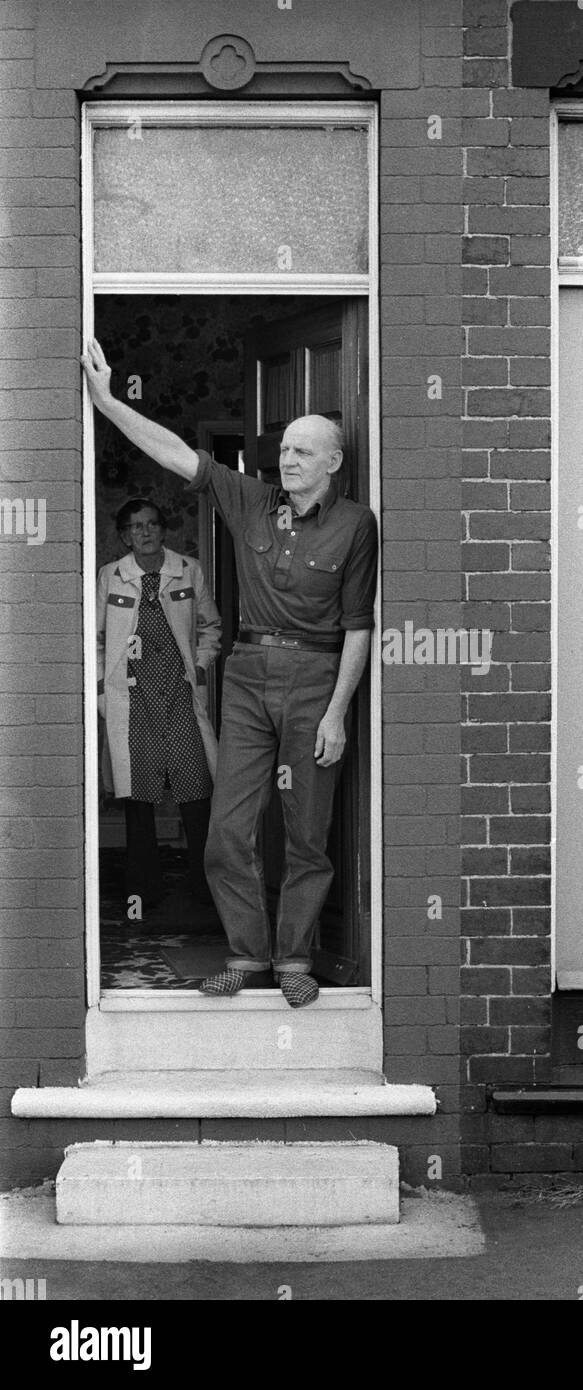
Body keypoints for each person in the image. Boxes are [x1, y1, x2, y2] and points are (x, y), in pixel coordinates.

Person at [82, 338, 378, 1009]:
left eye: (304, 450)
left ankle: (295, 958)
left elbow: (359, 626)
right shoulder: (248, 500)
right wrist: (106, 404)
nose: (289, 458)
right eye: (285, 449)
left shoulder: (358, 526)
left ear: (333, 462)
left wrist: (337, 711)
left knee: (308, 830)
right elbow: (172, 450)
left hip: (316, 678)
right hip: (246, 675)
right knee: (227, 828)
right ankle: (247, 954)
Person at [97, 497, 222, 915]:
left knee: (196, 794)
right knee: (139, 797)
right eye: (135, 527)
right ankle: (143, 892)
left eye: (151, 524)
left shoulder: (188, 570)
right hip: (132, 699)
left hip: (179, 694)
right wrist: (101, 690)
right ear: (124, 535)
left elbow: (210, 627)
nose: (144, 532)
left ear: (163, 529)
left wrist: (201, 667)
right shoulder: (111, 576)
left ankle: (207, 891)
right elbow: (97, 639)